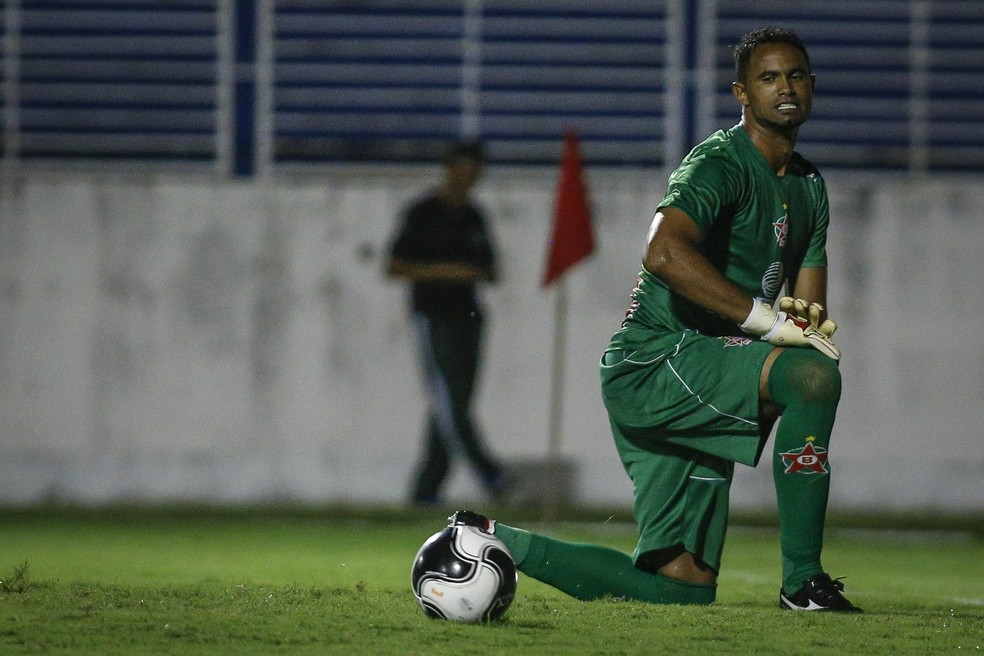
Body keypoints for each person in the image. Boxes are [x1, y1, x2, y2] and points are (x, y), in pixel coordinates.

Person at [448, 26, 862, 612]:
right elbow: (663, 253)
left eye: (796, 76)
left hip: (704, 368)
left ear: (813, 86)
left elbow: (810, 313)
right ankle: (803, 581)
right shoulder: (719, 164)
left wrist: (802, 324)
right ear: (741, 92)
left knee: (680, 589)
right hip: (657, 360)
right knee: (812, 378)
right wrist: (769, 324)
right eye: (768, 78)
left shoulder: (809, 186)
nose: (785, 88)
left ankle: (488, 540)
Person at [386, 141, 507, 506]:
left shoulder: (474, 216)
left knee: (455, 402)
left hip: (469, 317)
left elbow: (492, 269)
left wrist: (469, 273)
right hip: (432, 316)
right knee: (450, 402)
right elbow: (394, 265)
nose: (467, 179)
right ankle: (491, 472)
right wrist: (442, 272)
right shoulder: (423, 213)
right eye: (462, 170)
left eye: (474, 173)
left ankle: (426, 488)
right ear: (449, 169)